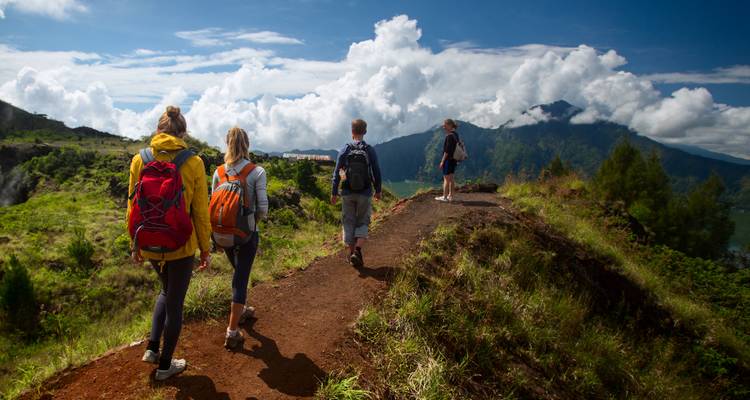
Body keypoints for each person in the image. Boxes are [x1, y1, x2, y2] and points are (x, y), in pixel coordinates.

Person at [127, 106, 211, 381]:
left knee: (165, 290)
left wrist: (135, 244)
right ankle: (165, 366)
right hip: (181, 245)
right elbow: (200, 210)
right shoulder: (194, 162)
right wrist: (205, 248)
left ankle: (152, 349)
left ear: (158, 129)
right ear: (183, 133)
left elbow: (131, 207)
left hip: (149, 241)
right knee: (175, 302)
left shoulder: (139, 159)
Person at [210, 127, 268, 350]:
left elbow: (213, 203)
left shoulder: (218, 172)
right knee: (241, 278)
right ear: (247, 144)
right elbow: (263, 208)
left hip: (222, 234)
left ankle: (241, 309)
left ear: (227, 143)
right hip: (245, 235)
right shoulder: (257, 172)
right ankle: (232, 331)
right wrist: (252, 225)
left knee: (238, 273)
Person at [331, 119, 382, 268]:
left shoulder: (345, 149)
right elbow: (376, 171)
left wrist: (334, 192)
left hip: (347, 192)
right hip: (365, 192)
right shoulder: (369, 149)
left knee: (348, 222)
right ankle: (357, 251)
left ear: (352, 132)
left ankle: (352, 253)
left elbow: (336, 172)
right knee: (362, 221)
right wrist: (378, 190)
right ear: (365, 132)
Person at [436, 118, 460, 202]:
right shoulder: (455, 135)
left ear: (449, 125)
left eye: (445, 125)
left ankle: (444, 197)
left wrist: (442, 161)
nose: (443, 127)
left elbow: (447, 151)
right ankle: (451, 196)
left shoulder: (449, 136)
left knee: (446, 179)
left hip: (448, 160)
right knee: (451, 178)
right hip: (454, 160)